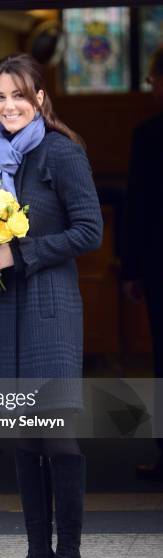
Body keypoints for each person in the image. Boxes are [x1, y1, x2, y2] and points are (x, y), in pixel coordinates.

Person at [0, 54, 103, 558]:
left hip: (51, 309)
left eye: (18, 96)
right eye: (0, 98)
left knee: (56, 438)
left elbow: (88, 230)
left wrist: (19, 255)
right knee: (21, 440)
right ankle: (36, 557)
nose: (8, 107)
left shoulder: (60, 151)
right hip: (5, 313)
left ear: (40, 99)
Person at [123, 47, 163, 480]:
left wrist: (131, 268)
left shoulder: (149, 134)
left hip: (158, 264)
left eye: (153, 81)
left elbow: (140, 206)